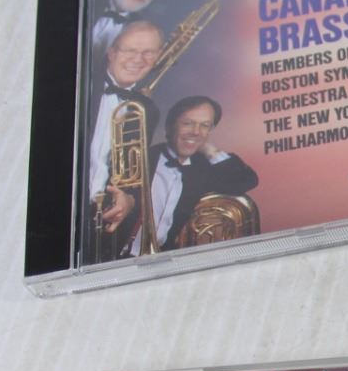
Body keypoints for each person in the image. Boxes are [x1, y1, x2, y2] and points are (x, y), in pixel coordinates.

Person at [102, 95, 260, 254]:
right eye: (187, 123)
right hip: (114, 255)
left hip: (161, 257)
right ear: (169, 126)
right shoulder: (138, 158)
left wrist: (211, 151)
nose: (196, 132)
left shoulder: (201, 169)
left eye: (205, 126)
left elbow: (246, 180)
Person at [85, 19, 163, 255]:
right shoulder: (82, 87)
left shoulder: (147, 109)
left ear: (157, 58)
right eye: (130, 50)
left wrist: (130, 199)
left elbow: (135, 172)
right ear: (111, 53)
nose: (138, 59)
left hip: (102, 219)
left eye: (148, 53)